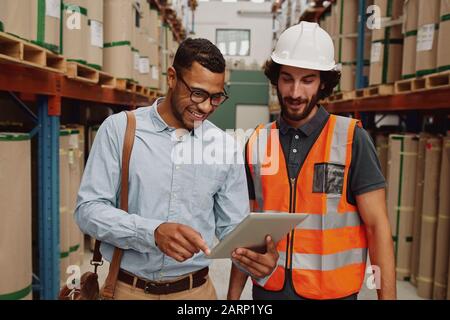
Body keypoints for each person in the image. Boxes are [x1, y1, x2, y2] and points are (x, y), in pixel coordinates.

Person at [75, 38, 278, 300]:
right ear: (172, 77)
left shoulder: (225, 148)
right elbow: (88, 211)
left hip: (196, 293)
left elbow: (233, 229)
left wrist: (257, 258)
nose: (206, 107)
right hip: (127, 290)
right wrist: (152, 233)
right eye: (197, 93)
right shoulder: (120, 130)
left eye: (216, 97)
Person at [227, 22, 396, 300]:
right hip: (269, 293)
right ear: (275, 79)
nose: (294, 92)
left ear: (323, 83)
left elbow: (378, 228)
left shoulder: (353, 139)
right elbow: (248, 230)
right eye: (287, 78)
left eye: (307, 80)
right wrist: (232, 299)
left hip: (333, 294)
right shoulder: (257, 142)